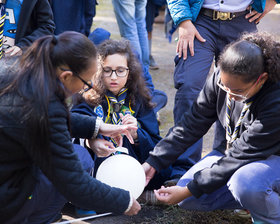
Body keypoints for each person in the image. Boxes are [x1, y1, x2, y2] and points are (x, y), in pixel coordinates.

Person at [0, 31, 141, 223]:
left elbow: (45, 119)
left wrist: (97, 126)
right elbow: (73, 183)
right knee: (81, 159)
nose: (90, 86)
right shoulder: (47, 106)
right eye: (86, 82)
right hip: (7, 194)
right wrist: (124, 200)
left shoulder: (16, 69)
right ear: (66, 76)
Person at [143, 32, 280, 223]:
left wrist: (190, 189)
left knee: (246, 183)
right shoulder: (221, 78)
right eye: (226, 87)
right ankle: (254, 201)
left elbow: (242, 154)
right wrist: (153, 162)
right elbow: (191, 124)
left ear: (262, 79)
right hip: (236, 154)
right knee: (189, 198)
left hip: (271, 159)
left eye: (238, 91)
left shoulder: (275, 100)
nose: (230, 95)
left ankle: (268, 211)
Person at [164, 0, 279, 185]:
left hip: (242, 19)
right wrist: (183, 20)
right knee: (189, 86)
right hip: (199, 20)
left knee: (240, 88)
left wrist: (272, 1)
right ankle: (182, 168)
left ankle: (226, 161)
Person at [72, 39, 171, 189]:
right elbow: (73, 128)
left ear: (129, 72)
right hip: (98, 161)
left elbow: (155, 142)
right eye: (107, 70)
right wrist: (91, 141)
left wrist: (137, 135)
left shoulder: (140, 100)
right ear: (98, 70)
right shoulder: (88, 96)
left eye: (120, 70)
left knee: (165, 165)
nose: (113, 77)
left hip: (131, 162)